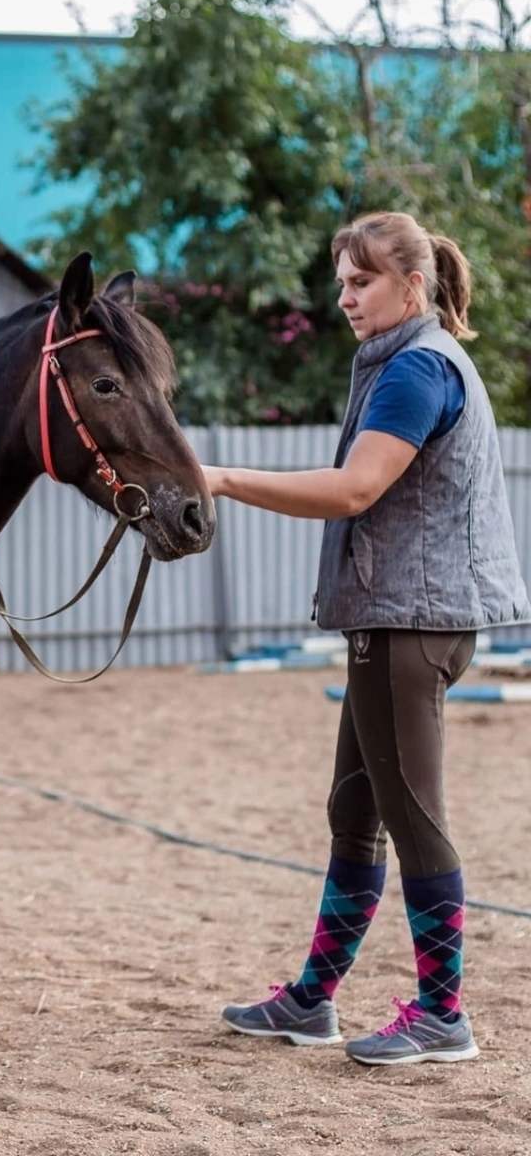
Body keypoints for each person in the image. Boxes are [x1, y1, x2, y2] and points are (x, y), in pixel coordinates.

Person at [203, 211, 529, 1066]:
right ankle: (312, 1002)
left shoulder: (418, 370)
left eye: (361, 282)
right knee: (355, 812)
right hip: (389, 620)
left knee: (415, 821)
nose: (344, 297)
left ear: (411, 287)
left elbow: (355, 489)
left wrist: (226, 478)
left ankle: (442, 1015)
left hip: (409, 625)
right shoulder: (401, 362)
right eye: (342, 282)